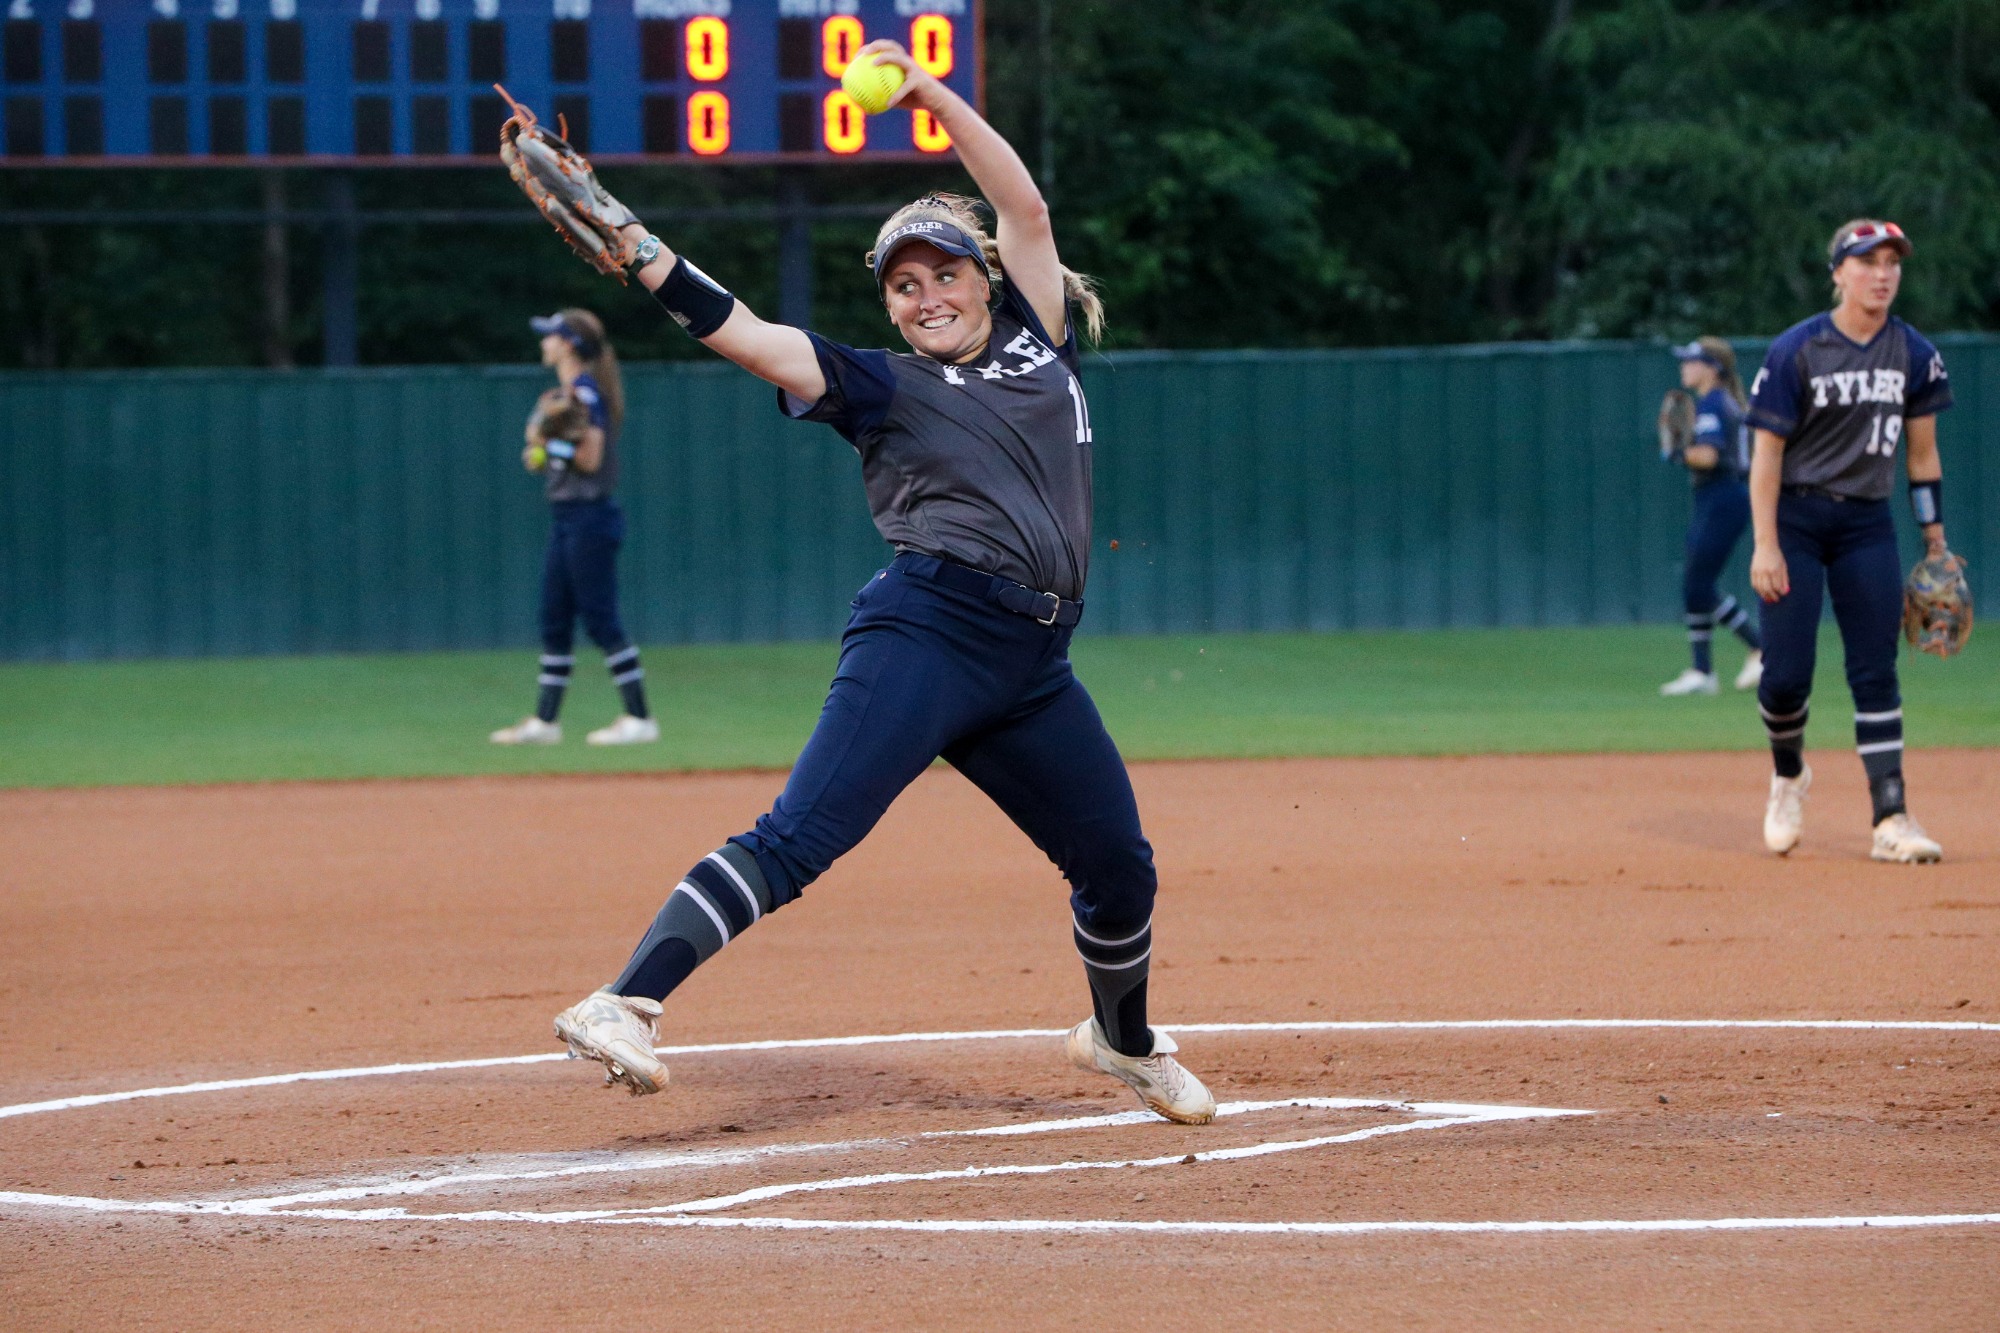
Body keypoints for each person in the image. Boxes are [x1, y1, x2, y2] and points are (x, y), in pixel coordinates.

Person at [544, 40, 1215, 1123]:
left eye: (943, 272)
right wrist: (646, 259)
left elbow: (1026, 206)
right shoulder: (879, 384)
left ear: (982, 278)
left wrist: (925, 93)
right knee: (804, 834)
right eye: (903, 285)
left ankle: (1121, 1039)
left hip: (1032, 664)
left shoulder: (1041, 344)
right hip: (927, 631)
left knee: (1118, 864)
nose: (924, 295)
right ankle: (624, 1000)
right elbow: (752, 339)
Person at [1746, 220, 1953, 862]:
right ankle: (1788, 775)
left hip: (1867, 524)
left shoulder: (1914, 353)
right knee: (1784, 678)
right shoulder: (1797, 350)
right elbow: (1765, 456)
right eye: (1867, 262)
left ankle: (1891, 818)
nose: (1883, 273)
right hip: (1798, 523)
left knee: (1875, 670)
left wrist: (1935, 541)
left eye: (1892, 262)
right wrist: (1765, 543)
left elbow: (1923, 456)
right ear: (1838, 272)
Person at [490, 307, 659, 748]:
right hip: (569, 519)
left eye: (550, 336)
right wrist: (545, 454)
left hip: (589, 518)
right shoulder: (570, 391)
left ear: (567, 344)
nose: (543, 342)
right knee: (555, 617)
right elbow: (564, 454)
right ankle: (546, 722)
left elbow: (590, 460)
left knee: (601, 619)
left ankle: (640, 717)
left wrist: (549, 445)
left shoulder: (584, 394)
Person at [1659, 337, 1764, 696]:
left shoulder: (1713, 404)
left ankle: (1758, 646)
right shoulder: (1721, 402)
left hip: (1723, 496)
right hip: (1722, 497)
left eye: (1692, 360)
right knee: (1695, 582)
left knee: (1698, 584)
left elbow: (1707, 456)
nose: (1684, 366)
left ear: (1713, 368)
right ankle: (1702, 670)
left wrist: (1676, 452)